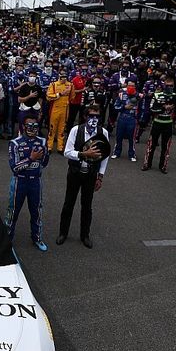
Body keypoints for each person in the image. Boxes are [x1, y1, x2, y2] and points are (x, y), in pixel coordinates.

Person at [57, 104, 109, 249]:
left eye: (97, 116)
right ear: (85, 116)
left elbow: (105, 156)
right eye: (91, 116)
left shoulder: (102, 132)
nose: (94, 119)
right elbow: (67, 152)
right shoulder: (76, 130)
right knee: (69, 203)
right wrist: (83, 154)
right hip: (75, 172)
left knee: (87, 206)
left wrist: (100, 176)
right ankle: (63, 233)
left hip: (91, 174)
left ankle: (85, 235)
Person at [6, 115, 50, 252]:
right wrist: (31, 159)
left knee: (36, 211)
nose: (32, 129)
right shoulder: (15, 143)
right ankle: (7, 239)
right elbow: (14, 167)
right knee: (13, 212)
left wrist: (39, 158)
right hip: (19, 181)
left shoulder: (43, 142)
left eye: (35, 126)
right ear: (24, 127)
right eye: (29, 126)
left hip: (35, 181)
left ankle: (37, 237)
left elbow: (45, 162)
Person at [142, 76, 176, 173]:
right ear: (164, 86)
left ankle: (163, 166)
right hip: (157, 123)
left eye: (171, 86)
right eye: (168, 86)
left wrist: (173, 111)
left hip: (168, 124)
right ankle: (147, 163)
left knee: (166, 147)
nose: (170, 88)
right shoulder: (157, 95)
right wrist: (163, 108)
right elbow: (151, 109)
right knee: (151, 145)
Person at [45, 71, 72, 152]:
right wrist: (59, 94)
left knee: (62, 129)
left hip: (65, 109)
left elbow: (72, 96)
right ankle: (49, 147)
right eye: (62, 76)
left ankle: (60, 147)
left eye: (65, 76)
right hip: (55, 109)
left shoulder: (70, 85)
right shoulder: (53, 85)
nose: (63, 78)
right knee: (52, 129)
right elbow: (48, 96)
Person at [110, 87, 138, 161]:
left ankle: (132, 154)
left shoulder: (138, 96)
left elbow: (142, 108)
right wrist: (124, 107)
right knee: (119, 136)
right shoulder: (121, 95)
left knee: (132, 138)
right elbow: (115, 107)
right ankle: (116, 152)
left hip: (132, 119)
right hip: (122, 118)